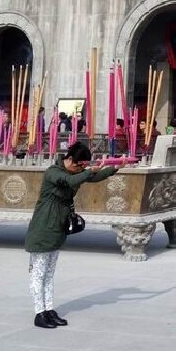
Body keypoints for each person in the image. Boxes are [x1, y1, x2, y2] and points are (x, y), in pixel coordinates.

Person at [24, 141, 124, 329]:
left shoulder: (76, 172)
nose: (80, 168)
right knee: (39, 274)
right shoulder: (54, 172)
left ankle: (49, 309)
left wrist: (115, 168)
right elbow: (72, 181)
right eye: (78, 164)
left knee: (49, 273)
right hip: (43, 228)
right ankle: (39, 312)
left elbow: (93, 177)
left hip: (57, 227)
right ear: (69, 159)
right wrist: (88, 170)